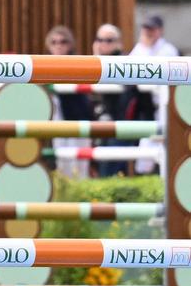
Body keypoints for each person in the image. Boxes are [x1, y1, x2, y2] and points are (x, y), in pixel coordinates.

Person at [128, 14, 178, 169]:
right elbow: (128, 73)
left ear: (160, 31)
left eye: (151, 29)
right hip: (147, 108)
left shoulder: (168, 50)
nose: (148, 32)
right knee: (145, 156)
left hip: (167, 108)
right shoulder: (139, 49)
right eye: (145, 28)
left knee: (170, 152)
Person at [44, 25, 92, 178]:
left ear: (70, 45)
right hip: (56, 121)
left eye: (63, 41)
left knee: (80, 166)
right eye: (54, 42)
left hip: (78, 118)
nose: (58, 45)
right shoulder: (43, 65)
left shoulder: (78, 62)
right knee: (62, 164)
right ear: (49, 45)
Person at [91, 24, 129, 176]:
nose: (103, 44)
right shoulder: (99, 61)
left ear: (118, 43)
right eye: (100, 40)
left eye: (108, 40)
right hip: (102, 122)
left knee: (110, 169)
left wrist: (96, 57)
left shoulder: (123, 62)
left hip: (122, 123)